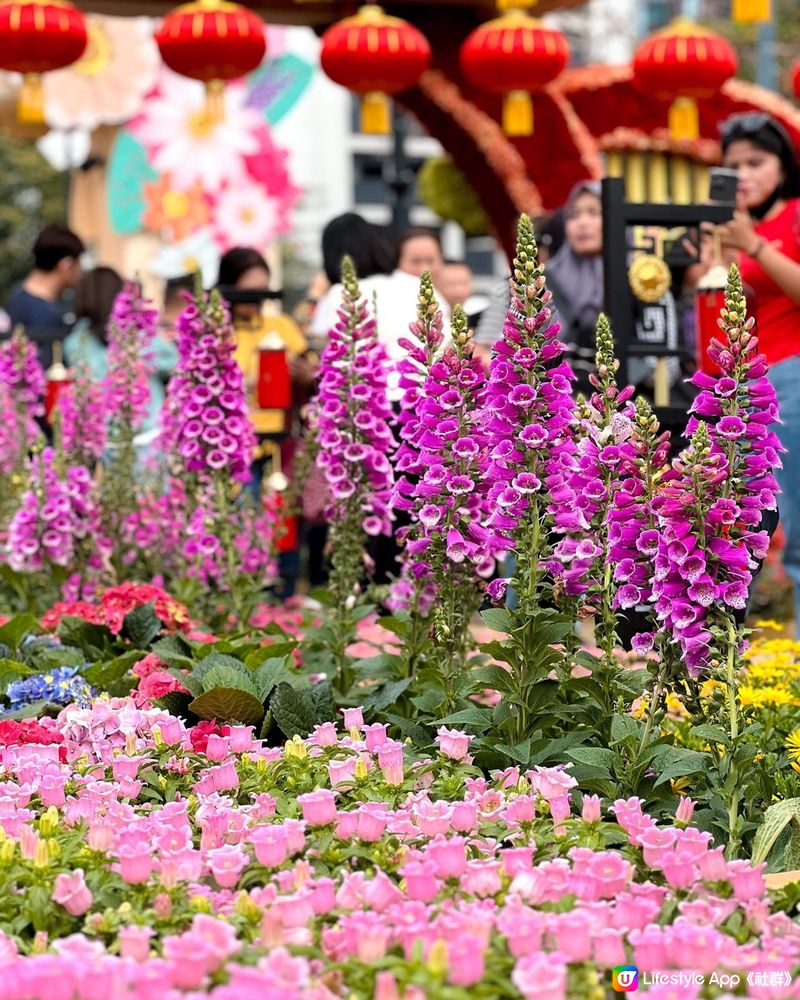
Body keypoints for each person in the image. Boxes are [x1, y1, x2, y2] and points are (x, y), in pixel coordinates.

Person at [713, 112, 800, 629]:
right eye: (733, 166)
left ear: (784, 168)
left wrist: (756, 248)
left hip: (792, 373)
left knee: (797, 521)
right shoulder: (732, 227)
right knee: (738, 520)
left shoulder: (792, 218)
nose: (744, 174)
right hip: (740, 381)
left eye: (756, 162)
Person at [218, 247, 315, 599]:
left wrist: (306, 373)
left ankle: (283, 597)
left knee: (282, 522)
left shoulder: (281, 326)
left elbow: (313, 371)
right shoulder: (217, 331)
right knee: (237, 522)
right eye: (249, 292)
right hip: (233, 446)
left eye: (264, 290)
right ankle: (238, 596)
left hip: (279, 442)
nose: (256, 301)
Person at [63, 267, 178, 442]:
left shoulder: (76, 341)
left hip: (102, 437)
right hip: (149, 434)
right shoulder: (139, 333)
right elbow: (173, 361)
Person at [6, 224, 84, 369]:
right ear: (66, 265)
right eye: (78, 264)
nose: (80, 272)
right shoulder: (45, 313)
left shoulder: (16, 296)